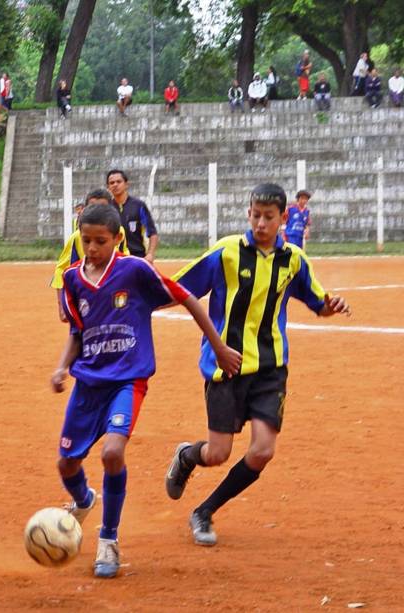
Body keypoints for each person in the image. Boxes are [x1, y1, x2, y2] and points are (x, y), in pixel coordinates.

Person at [52, 204, 241, 578]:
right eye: (86, 240)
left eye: (100, 241)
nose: (92, 248)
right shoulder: (74, 280)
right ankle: (84, 500)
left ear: (118, 240)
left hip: (128, 380)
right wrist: (61, 366)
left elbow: (187, 297)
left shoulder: (135, 270)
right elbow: (77, 332)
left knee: (111, 453)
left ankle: (108, 541)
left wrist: (218, 346)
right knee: (66, 463)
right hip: (88, 382)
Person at [163, 183, 351, 547]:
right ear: (248, 213)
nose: (261, 223)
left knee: (263, 450)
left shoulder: (293, 259)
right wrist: (136, 302)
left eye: (269, 217)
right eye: (255, 215)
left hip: (270, 368)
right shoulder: (227, 252)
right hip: (226, 366)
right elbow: (179, 287)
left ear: (284, 218)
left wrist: (332, 305)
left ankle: (204, 511)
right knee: (217, 453)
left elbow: (317, 302)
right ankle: (186, 456)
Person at [51, 189, 131, 322]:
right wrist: (62, 306)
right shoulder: (77, 238)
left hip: (113, 300)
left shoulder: (119, 233)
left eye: (102, 208)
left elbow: (126, 261)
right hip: (87, 301)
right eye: (93, 207)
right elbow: (61, 270)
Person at [105, 169, 158, 261]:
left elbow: (153, 233)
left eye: (119, 181)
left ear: (126, 184)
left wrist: (150, 254)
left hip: (137, 257)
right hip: (114, 258)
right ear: (108, 187)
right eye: (112, 183)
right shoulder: (106, 208)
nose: (115, 185)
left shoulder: (139, 205)